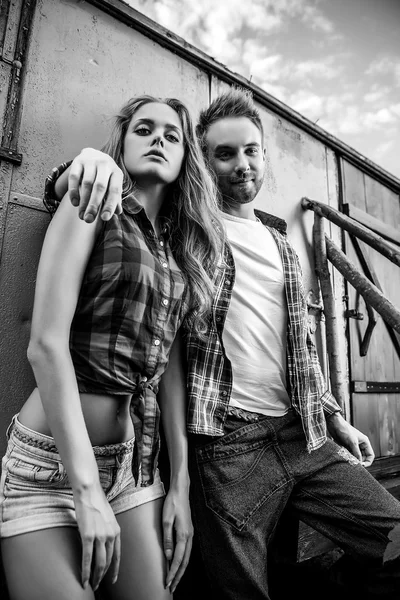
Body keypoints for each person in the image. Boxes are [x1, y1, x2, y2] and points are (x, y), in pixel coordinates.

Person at [40, 88, 400, 600]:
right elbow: (95, 201)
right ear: (202, 161)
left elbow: (300, 345)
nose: (242, 164)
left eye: (251, 150)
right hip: (228, 445)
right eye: (224, 153)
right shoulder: (184, 228)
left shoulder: (282, 245)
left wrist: (334, 416)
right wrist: (81, 164)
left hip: (302, 435)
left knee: (388, 529)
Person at [0, 95, 224, 600]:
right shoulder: (95, 202)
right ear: (121, 143)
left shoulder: (178, 252)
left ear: (186, 156)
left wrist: (180, 488)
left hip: (131, 469)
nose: (158, 140)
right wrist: (85, 491)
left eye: (172, 135)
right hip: (51, 466)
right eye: (144, 129)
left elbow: (167, 369)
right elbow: (45, 345)